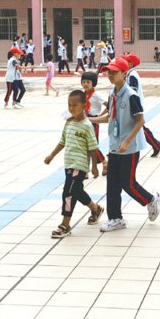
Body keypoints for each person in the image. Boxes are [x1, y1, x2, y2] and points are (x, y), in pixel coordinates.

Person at [88, 57, 160, 232]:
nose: (110, 75)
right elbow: (109, 117)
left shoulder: (130, 95)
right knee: (112, 184)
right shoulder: (112, 94)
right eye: (109, 72)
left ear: (124, 73)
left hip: (129, 148)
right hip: (115, 145)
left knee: (128, 183)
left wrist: (127, 141)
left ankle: (151, 200)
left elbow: (141, 120)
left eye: (114, 72)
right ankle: (116, 219)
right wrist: (88, 119)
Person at [44, 90, 104, 237]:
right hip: (69, 164)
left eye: (75, 105)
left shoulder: (87, 125)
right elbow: (62, 141)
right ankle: (96, 209)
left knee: (68, 192)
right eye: (69, 105)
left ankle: (65, 224)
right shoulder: (69, 122)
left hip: (80, 165)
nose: (71, 108)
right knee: (76, 190)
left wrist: (94, 166)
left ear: (84, 105)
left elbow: (93, 147)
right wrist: (52, 155)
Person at [123, 54, 160, 157]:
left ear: (131, 64)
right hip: (133, 105)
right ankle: (156, 145)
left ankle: (156, 145)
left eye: (125, 61)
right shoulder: (129, 74)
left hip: (134, 105)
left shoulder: (132, 75)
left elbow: (132, 91)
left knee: (140, 128)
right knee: (136, 127)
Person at [81, 72, 108, 176]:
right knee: (84, 146)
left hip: (93, 122)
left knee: (93, 146)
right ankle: (85, 171)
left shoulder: (97, 95)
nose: (85, 84)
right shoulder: (82, 94)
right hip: (84, 121)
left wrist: (100, 116)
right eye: (83, 82)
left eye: (88, 82)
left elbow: (109, 105)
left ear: (94, 83)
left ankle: (105, 163)